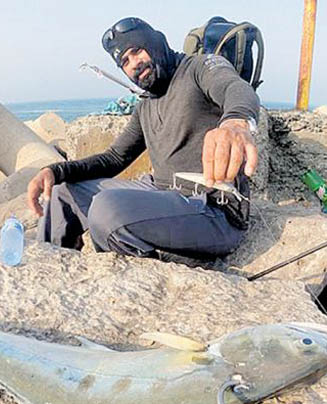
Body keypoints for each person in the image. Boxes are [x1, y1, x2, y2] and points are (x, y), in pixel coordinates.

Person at [27, 17, 260, 259]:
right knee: (61, 193)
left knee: (107, 209)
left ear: (156, 42)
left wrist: (236, 121)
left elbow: (235, 87)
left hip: (213, 208)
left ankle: (136, 279)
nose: (134, 64)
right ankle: (54, 265)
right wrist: (55, 171)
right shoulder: (145, 105)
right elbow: (114, 158)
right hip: (161, 192)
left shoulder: (200, 67)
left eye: (137, 51)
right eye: (125, 62)